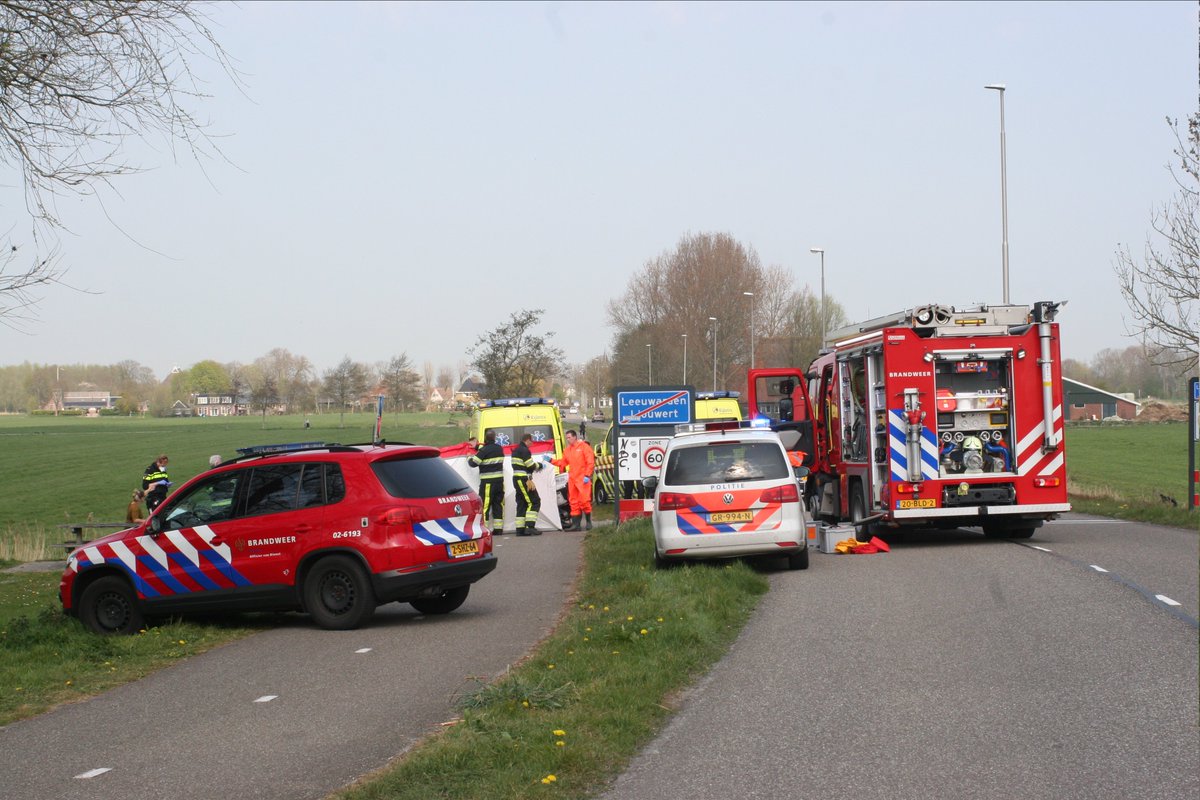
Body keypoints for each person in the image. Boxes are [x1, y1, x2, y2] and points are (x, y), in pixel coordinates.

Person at [552, 429, 595, 531]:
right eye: (567, 438)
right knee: (573, 502)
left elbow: (590, 462)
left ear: (575, 437)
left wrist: (587, 475)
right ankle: (576, 525)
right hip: (573, 480)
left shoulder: (584, 447)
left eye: (569, 437)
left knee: (584, 501)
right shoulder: (567, 450)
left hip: (583, 479)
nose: (568, 440)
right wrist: (551, 461)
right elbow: (563, 463)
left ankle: (589, 522)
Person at [467, 430, 506, 533]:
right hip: (499, 482)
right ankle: (498, 529)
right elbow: (486, 450)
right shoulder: (499, 448)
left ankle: (485, 529)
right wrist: (477, 447)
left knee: (485, 505)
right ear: (494, 437)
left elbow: (473, 463)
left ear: (485, 438)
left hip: (488, 483)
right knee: (498, 504)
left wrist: (469, 457)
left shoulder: (484, 450)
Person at [510, 433, 543, 536]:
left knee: (522, 503)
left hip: (518, 479)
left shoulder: (516, 450)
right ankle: (530, 526)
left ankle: (520, 530)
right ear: (527, 440)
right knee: (534, 501)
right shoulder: (524, 450)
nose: (531, 444)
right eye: (531, 442)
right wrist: (540, 465)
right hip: (523, 480)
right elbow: (530, 465)